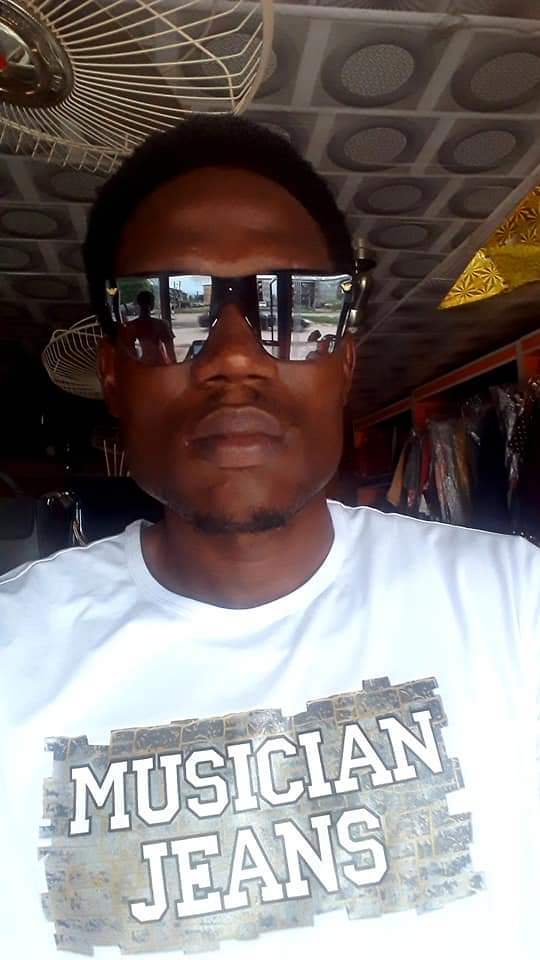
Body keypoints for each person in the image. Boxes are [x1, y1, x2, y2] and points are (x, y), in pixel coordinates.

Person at [0, 115, 538, 960]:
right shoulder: (14, 650)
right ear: (112, 374)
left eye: (297, 304)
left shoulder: (515, 608)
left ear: (345, 362)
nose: (234, 357)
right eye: (164, 309)